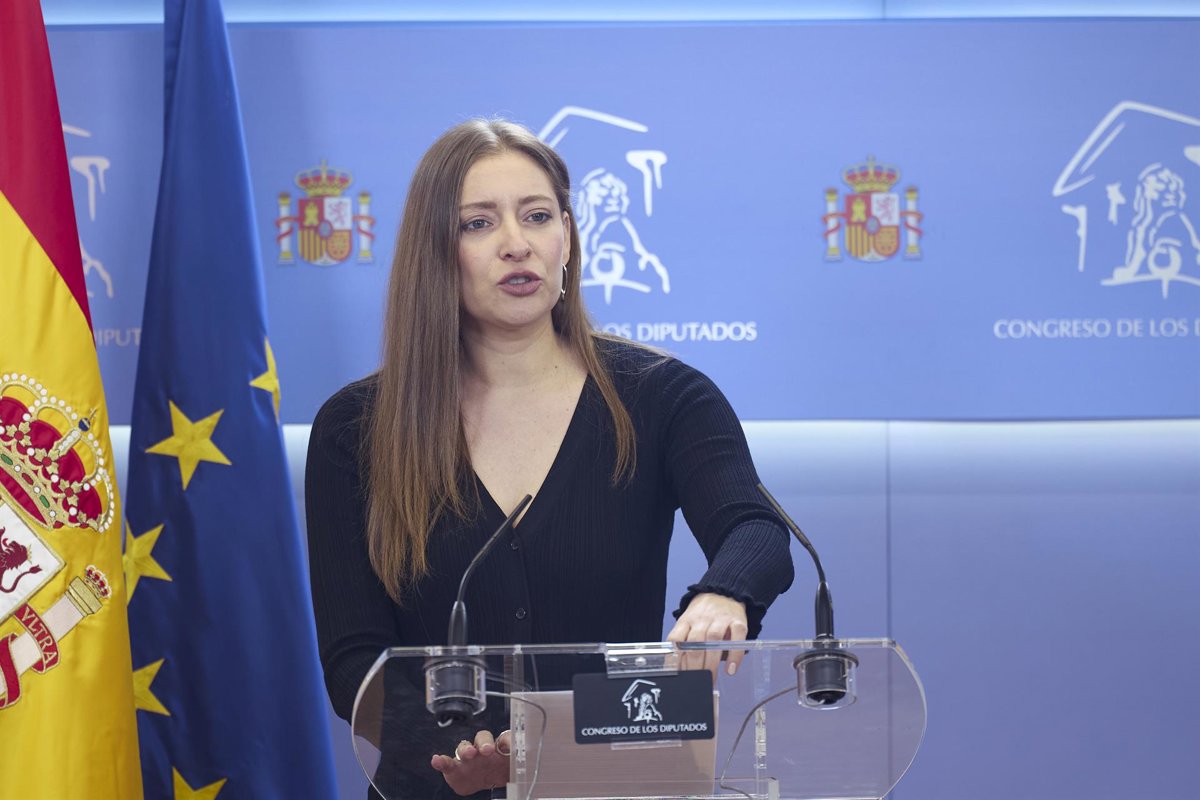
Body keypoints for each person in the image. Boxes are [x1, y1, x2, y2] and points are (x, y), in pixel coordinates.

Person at [305, 118, 794, 799]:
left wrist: (725, 591)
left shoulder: (661, 397)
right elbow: (354, 661)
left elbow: (756, 528)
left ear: (566, 235)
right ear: (434, 251)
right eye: (479, 224)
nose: (517, 243)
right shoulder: (356, 428)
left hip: (616, 782)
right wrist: (453, 753)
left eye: (537, 216)